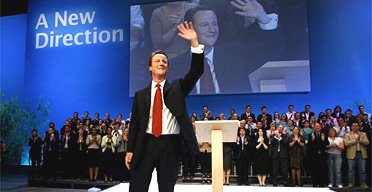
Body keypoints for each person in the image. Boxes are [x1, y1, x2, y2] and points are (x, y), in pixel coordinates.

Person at [126, 21, 203, 192]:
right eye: (157, 61)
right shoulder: (140, 95)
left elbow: (196, 71)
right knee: (137, 188)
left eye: (165, 61)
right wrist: (130, 150)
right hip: (145, 144)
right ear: (150, 67)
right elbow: (135, 126)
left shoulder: (177, 88)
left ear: (167, 68)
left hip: (170, 145)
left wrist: (194, 43)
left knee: (166, 189)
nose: (161, 63)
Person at [168, 4, 280, 94]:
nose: (212, 29)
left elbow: (274, 48)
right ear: (190, 28)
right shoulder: (174, 67)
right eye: (204, 25)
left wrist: (263, 17)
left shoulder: (235, 54)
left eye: (215, 24)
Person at [344, 122, 370, 189]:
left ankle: (363, 183)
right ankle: (351, 183)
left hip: (361, 153)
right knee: (351, 170)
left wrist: (360, 140)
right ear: (351, 127)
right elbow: (346, 143)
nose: (355, 127)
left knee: (362, 170)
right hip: (351, 154)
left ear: (359, 127)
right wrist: (355, 140)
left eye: (356, 126)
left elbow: (367, 142)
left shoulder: (363, 134)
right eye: (353, 126)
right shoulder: (347, 135)